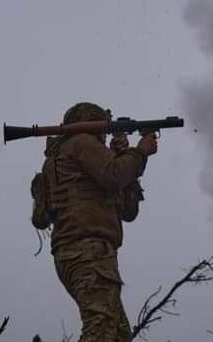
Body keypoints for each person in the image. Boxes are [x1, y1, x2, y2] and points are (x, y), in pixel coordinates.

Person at [30, 102, 158, 341]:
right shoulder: (81, 143)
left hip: (77, 253)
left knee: (117, 335)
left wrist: (123, 156)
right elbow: (114, 175)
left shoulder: (67, 154)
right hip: (87, 251)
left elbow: (128, 211)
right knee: (100, 330)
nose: (105, 133)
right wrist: (139, 152)